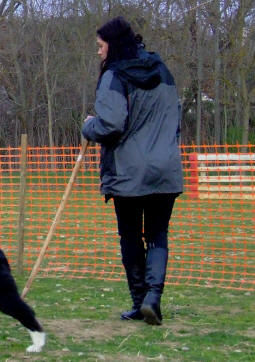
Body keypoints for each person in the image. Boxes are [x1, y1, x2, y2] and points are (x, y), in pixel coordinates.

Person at [82, 16, 183, 325]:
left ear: (112, 45)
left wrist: (89, 126)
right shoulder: (162, 71)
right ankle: (153, 298)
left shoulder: (114, 75)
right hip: (165, 169)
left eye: (100, 46)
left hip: (129, 172)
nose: (98, 53)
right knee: (157, 235)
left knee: (130, 236)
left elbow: (111, 124)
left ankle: (141, 301)